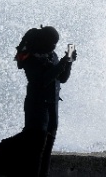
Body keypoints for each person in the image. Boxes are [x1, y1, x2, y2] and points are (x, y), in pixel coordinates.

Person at [14, 25, 77, 176]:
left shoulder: (51, 55)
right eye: (52, 43)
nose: (54, 46)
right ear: (43, 41)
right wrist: (62, 63)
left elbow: (62, 79)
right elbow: (43, 81)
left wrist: (69, 62)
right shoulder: (30, 57)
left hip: (51, 108)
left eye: (55, 43)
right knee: (35, 155)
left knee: (46, 153)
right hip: (37, 109)